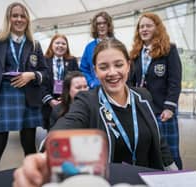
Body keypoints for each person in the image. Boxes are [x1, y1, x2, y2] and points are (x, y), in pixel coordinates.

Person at [13, 39, 177, 187]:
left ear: (128, 65)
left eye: (119, 65)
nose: (112, 72)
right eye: (104, 67)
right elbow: (65, 127)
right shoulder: (87, 100)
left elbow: (159, 141)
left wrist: (174, 173)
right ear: (95, 71)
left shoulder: (143, 96)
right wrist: (45, 158)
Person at [0, 2, 47, 174]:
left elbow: (45, 72)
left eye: (23, 16)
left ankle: (34, 180)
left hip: (28, 99)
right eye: (15, 15)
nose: (19, 19)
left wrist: (32, 75)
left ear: (27, 20)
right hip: (2, 98)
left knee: (30, 146)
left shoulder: (34, 44)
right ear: (8, 18)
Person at [127, 12, 182, 169]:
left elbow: (175, 81)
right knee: (147, 150)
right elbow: (131, 81)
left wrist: (170, 107)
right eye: (141, 26)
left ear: (157, 28)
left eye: (148, 26)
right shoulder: (135, 53)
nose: (144, 29)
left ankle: (177, 179)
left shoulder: (169, 50)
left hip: (162, 111)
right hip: (141, 110)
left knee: (170, 152)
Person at [42, 34, 79, 130]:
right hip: (49, 103)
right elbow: (40, 83)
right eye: (57, 43)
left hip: (67, 101)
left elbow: (77, 81)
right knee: (51, 131)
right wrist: (50, 100)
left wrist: (66, 98)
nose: (60, 46)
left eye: (63, 43)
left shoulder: (72, 61)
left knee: (67, 128)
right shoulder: (44, 60)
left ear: (67, 46)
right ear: (51, 45)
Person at [80, 11, 114, 89]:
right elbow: (83, 69)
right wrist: (91, 82)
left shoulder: (116, 45)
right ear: (95, 26)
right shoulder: (89, 47)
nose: (101, 26)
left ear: (109, 25)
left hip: (113, 87)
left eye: (104, 23)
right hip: (95, 90)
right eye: (98, 24)